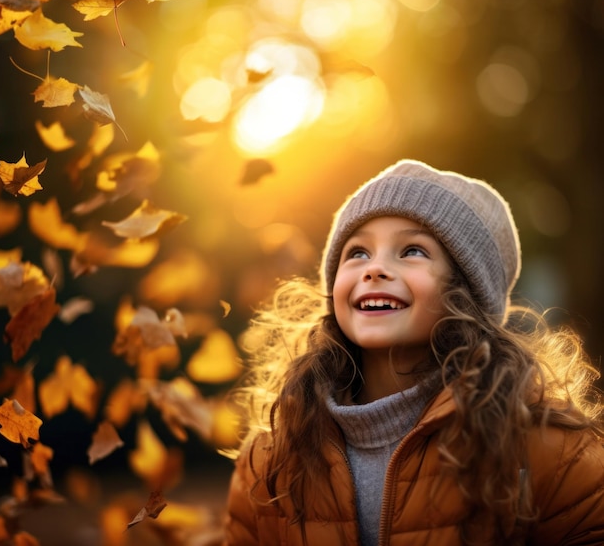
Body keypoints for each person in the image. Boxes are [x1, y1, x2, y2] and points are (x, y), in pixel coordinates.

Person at [223, 159, 604, 546]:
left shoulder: (548, 454)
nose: (375, 269)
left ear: (465, 293)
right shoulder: (271, 461)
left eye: (412, 250)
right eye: (357, 253)